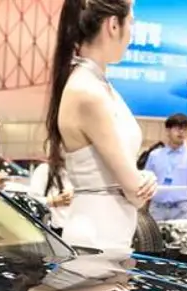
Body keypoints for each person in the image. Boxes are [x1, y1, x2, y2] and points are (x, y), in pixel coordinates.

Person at [43, 0, 151, 251]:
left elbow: (133, 186)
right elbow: (135, 192)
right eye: (131, 23)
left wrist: (142, 181)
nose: (131, 33)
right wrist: (144, 181)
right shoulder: (88, 91)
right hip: (98, 235)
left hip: (105, 230)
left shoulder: (95, 85)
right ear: (113, 25)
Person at [143, 112, 187, 221]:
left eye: (185, 129)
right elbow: (147, 183)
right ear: (168, 130)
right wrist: (143, 209)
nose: (181, 132)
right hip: (157, 207)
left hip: (181, 208)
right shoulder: (155, 155)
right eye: (177, 128)